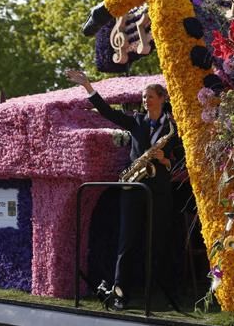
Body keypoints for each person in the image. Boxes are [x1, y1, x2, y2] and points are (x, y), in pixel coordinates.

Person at [66, 69, 179, 310]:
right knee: (126, 242)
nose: (145, 100)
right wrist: (88, 86)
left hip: (158, 190)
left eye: (149, 96)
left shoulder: (173, 127)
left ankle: (156, 291)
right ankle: (119, 293)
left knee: (157, 241)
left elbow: (180, 158)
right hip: (133, 186)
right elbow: (107, 112)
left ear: (161, 98)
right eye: (143, 96)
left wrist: (165, 159)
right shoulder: (135, 120)